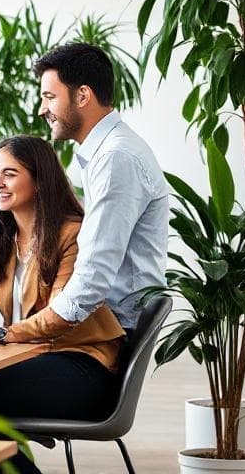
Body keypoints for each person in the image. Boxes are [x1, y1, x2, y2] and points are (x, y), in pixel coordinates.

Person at [0, 135, 125, 474]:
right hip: (27, 360)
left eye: (10, 174)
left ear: (39, 180)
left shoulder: (73, 234)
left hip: (82, 366)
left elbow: (59, 318)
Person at [33, 42, 168, 333]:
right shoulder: (106, 153)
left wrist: (22, 330)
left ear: (82, 95)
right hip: (104, 324)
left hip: (113, 331)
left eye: (48, 97)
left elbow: (93, 275)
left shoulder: (115, 158)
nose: (42, 110)